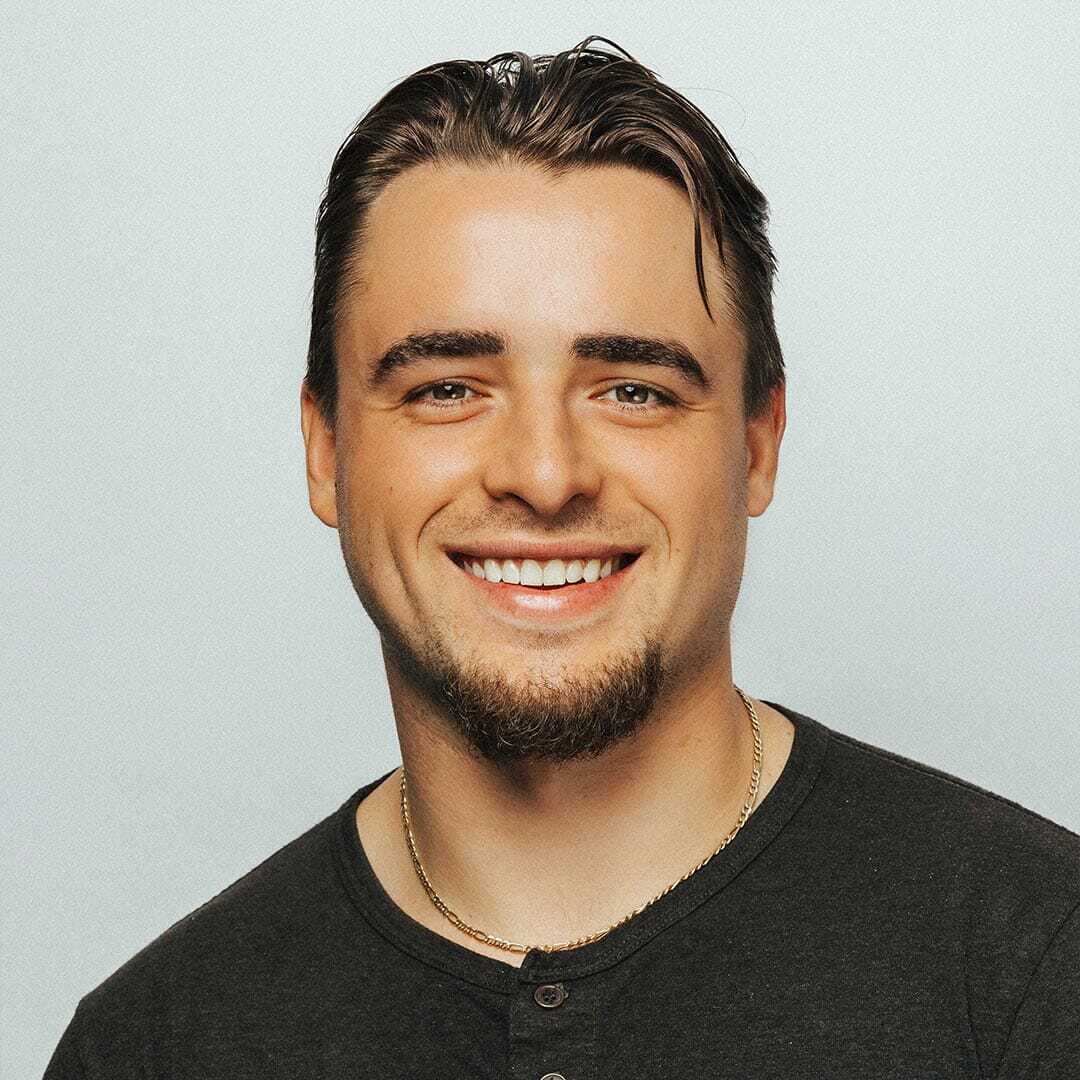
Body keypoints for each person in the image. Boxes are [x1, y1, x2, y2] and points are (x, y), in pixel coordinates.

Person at [44, 36, 1079, 1079]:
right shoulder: (150, 1046)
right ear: (326, 452)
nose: (545, 475)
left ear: (757, 446)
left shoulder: (1038, 966)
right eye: (448, 386)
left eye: (635, 390)